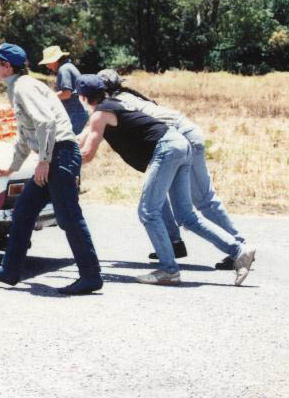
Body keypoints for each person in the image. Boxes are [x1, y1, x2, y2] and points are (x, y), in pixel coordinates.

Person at [76, 74, 255, 285]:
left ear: (83, 97)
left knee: (148, 211)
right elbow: (82, 137)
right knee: (187, 216)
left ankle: (169, 270)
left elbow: (87, 154)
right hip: (179, 143)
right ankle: (239, 250)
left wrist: (61, 165)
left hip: (167, 149)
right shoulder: (112, 105)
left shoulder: (101, 113)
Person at [0, 43, 102, 295]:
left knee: (68, 217)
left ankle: (90, 276)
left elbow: (45, 123)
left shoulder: (23, 87)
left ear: (7, 66)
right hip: (54, 154)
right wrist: (11, 168)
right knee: (23, 211)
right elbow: (25, 135)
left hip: (60, 154)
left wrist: (44, 160)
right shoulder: (17, 89)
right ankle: (9, 270)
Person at [38, 45, 89, 134]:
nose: (47, 66)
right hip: (77, 113)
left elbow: (66, 94)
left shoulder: (64, 69)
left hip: (75, 114)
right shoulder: (68, 66)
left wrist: (45, 97)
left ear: (55, 60)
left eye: (48, 63)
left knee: (71, 143)